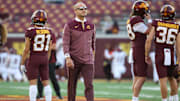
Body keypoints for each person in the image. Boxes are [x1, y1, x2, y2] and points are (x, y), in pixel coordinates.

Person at [145, 4, 180, 101]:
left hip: (160, 54)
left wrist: (146, 55)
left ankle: (164, 100)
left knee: (162, 80)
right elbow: (178, 46)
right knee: (172, 78)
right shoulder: (177, 26)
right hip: (171, 55)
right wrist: (179, 61)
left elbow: (149, 40)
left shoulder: (157, 23)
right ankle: (176, 99)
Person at [63, 2, 96, 101]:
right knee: (72, 84)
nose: (84, 10)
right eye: (81, 8)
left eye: (85, 8)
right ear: (75, 11)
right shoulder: (69, 25)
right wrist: (68, 58)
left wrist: (92, 56)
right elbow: (65, 43)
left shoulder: (91, 25)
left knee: (89, 84)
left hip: (88, 60)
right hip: (74, 59)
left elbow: (93, 43)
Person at [20, 10, 53, 101]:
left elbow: (26, 49)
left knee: (33, 83)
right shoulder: (49, 31)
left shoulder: (30, 31)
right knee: (46, 82)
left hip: (34, 57)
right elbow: (50, 48)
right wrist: (47, 60)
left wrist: (22, 63)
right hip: (44, 57)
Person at [126, 1, 152, 101]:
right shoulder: (136, 20)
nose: (146, 13)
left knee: (137, 77)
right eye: (145, 11)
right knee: (142, 77)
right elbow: (147, 31)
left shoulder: (132, 19)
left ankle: (134, 98)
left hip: (135, 48)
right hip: (139, 49)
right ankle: (135, 99)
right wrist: (150, 21)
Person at [36, 33, 63, 99]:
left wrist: (45, 47)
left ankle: (58, 94)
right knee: (40, 78)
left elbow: (54, 47)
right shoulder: (41, 36)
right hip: (42, 60)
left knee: (52, 77)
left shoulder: (51, 35)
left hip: (51, 61)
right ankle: (40, 94)